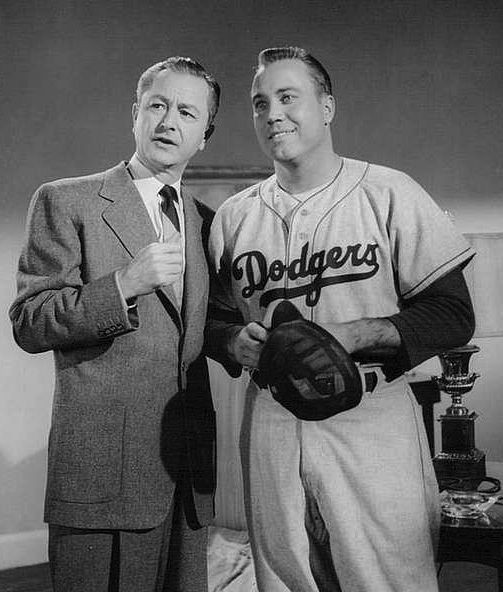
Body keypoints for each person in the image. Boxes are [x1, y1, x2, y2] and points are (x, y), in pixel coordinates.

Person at [205, 46, 475, 592]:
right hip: (272, 417)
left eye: (288, 97)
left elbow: (453, 315)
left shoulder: (389, 191)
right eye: (260, 103)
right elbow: (211, 322)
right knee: (285, 578)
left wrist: (355, 333)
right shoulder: (235, 215)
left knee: (389, 578)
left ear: (327, 107)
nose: (273, 114)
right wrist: (233, 341)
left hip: (371, 413)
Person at [9, 56, 220, 592]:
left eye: (187, 113)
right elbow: (30, 322)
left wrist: (239, 342)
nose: (168, 121)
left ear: (204, 136)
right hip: (101, 477)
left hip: (187, 476)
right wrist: (123, 284)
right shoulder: (66, 200)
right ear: (135, 115)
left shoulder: (207, 222)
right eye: (157, 105)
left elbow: (198, 332)